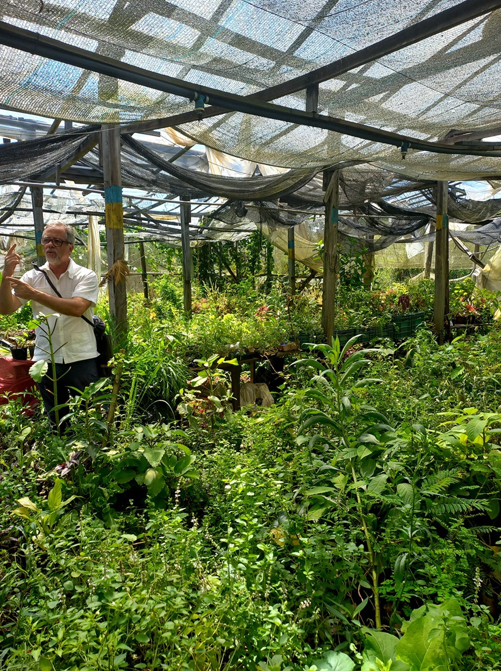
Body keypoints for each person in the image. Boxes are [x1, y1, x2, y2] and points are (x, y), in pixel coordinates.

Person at [0, 223, 100, 423]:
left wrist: (34, 294)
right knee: (56, 418)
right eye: (46, 240)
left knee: (91, 416)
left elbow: (77, 308)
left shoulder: (85, 276)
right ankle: (61, 443)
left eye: (57, 241)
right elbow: (6, 308)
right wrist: (6, 276)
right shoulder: (32, 277)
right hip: (45, 359)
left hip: (81, 356)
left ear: (70, 247)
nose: (50, 245)